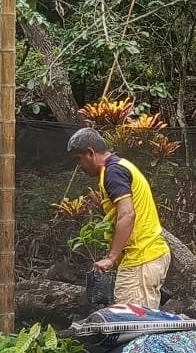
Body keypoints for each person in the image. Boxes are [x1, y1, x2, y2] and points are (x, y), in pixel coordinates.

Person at [67, 127, 171, 309]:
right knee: (133, 317)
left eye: (78, 159)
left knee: (132, 321)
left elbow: (128, 214)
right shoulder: (118, 167)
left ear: (90, 153)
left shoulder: (113, 172)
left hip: (141, 257)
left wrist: (111, 258)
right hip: (143, 256)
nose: (79, 166)